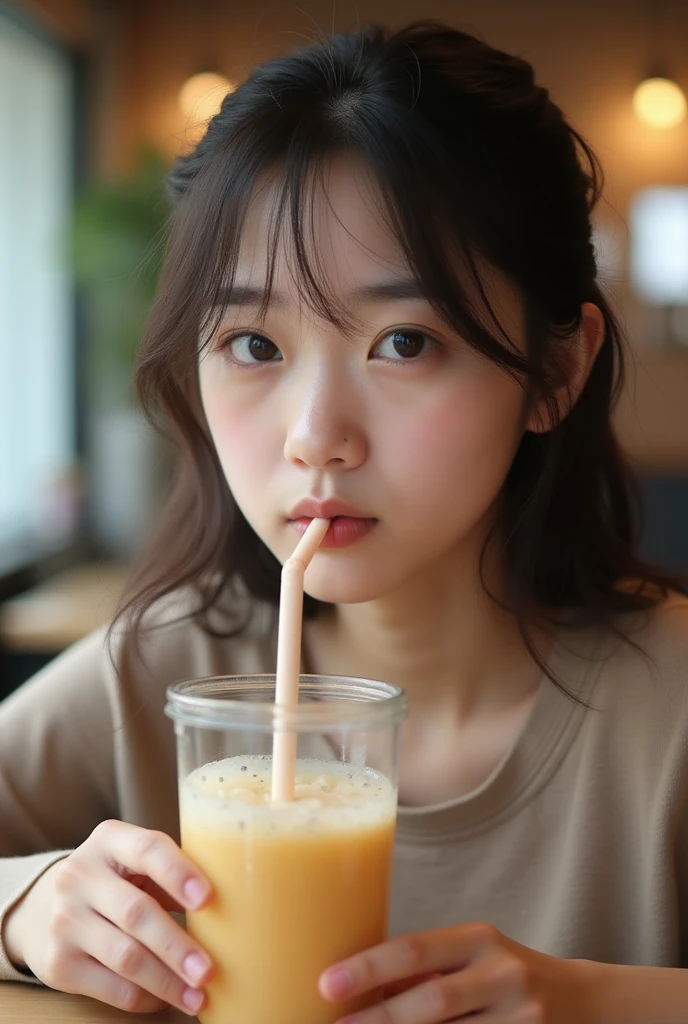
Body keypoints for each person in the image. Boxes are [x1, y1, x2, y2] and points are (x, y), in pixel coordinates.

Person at [1, 18, 687, 1023]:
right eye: (250, 343)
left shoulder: (666, 712)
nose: (316, 437)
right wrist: (23, 905)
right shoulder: (161, 670)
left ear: (554, 371)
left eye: (403, 341)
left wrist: (602, 999)